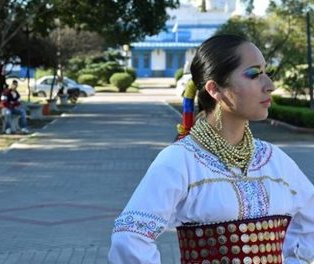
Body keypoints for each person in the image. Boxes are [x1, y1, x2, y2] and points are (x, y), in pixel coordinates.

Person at [108, 34, 314, 263]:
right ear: (215, 89)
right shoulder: (180, 161)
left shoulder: (274, 160)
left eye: (267, 72)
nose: (270, 86)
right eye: (255, 74)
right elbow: (129, 238)